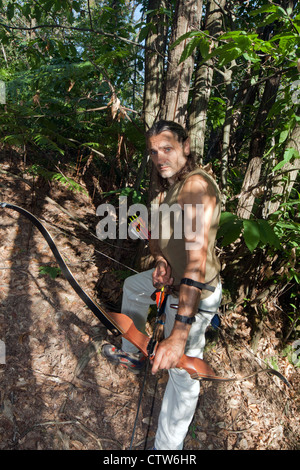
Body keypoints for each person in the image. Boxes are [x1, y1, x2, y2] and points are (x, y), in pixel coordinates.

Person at [102, 120, 222, 450]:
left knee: (182, 374)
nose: (159, 157)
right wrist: (159, 258)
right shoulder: (173, 189)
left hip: (194, 291)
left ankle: (166, 451)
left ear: (185, 146)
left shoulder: (196, 186)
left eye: (167, 148)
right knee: (134, 287)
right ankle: (135, 354)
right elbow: (167, 243)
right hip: (173, 280)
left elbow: (196, 264)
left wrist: (179, 335)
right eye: (154, 151)